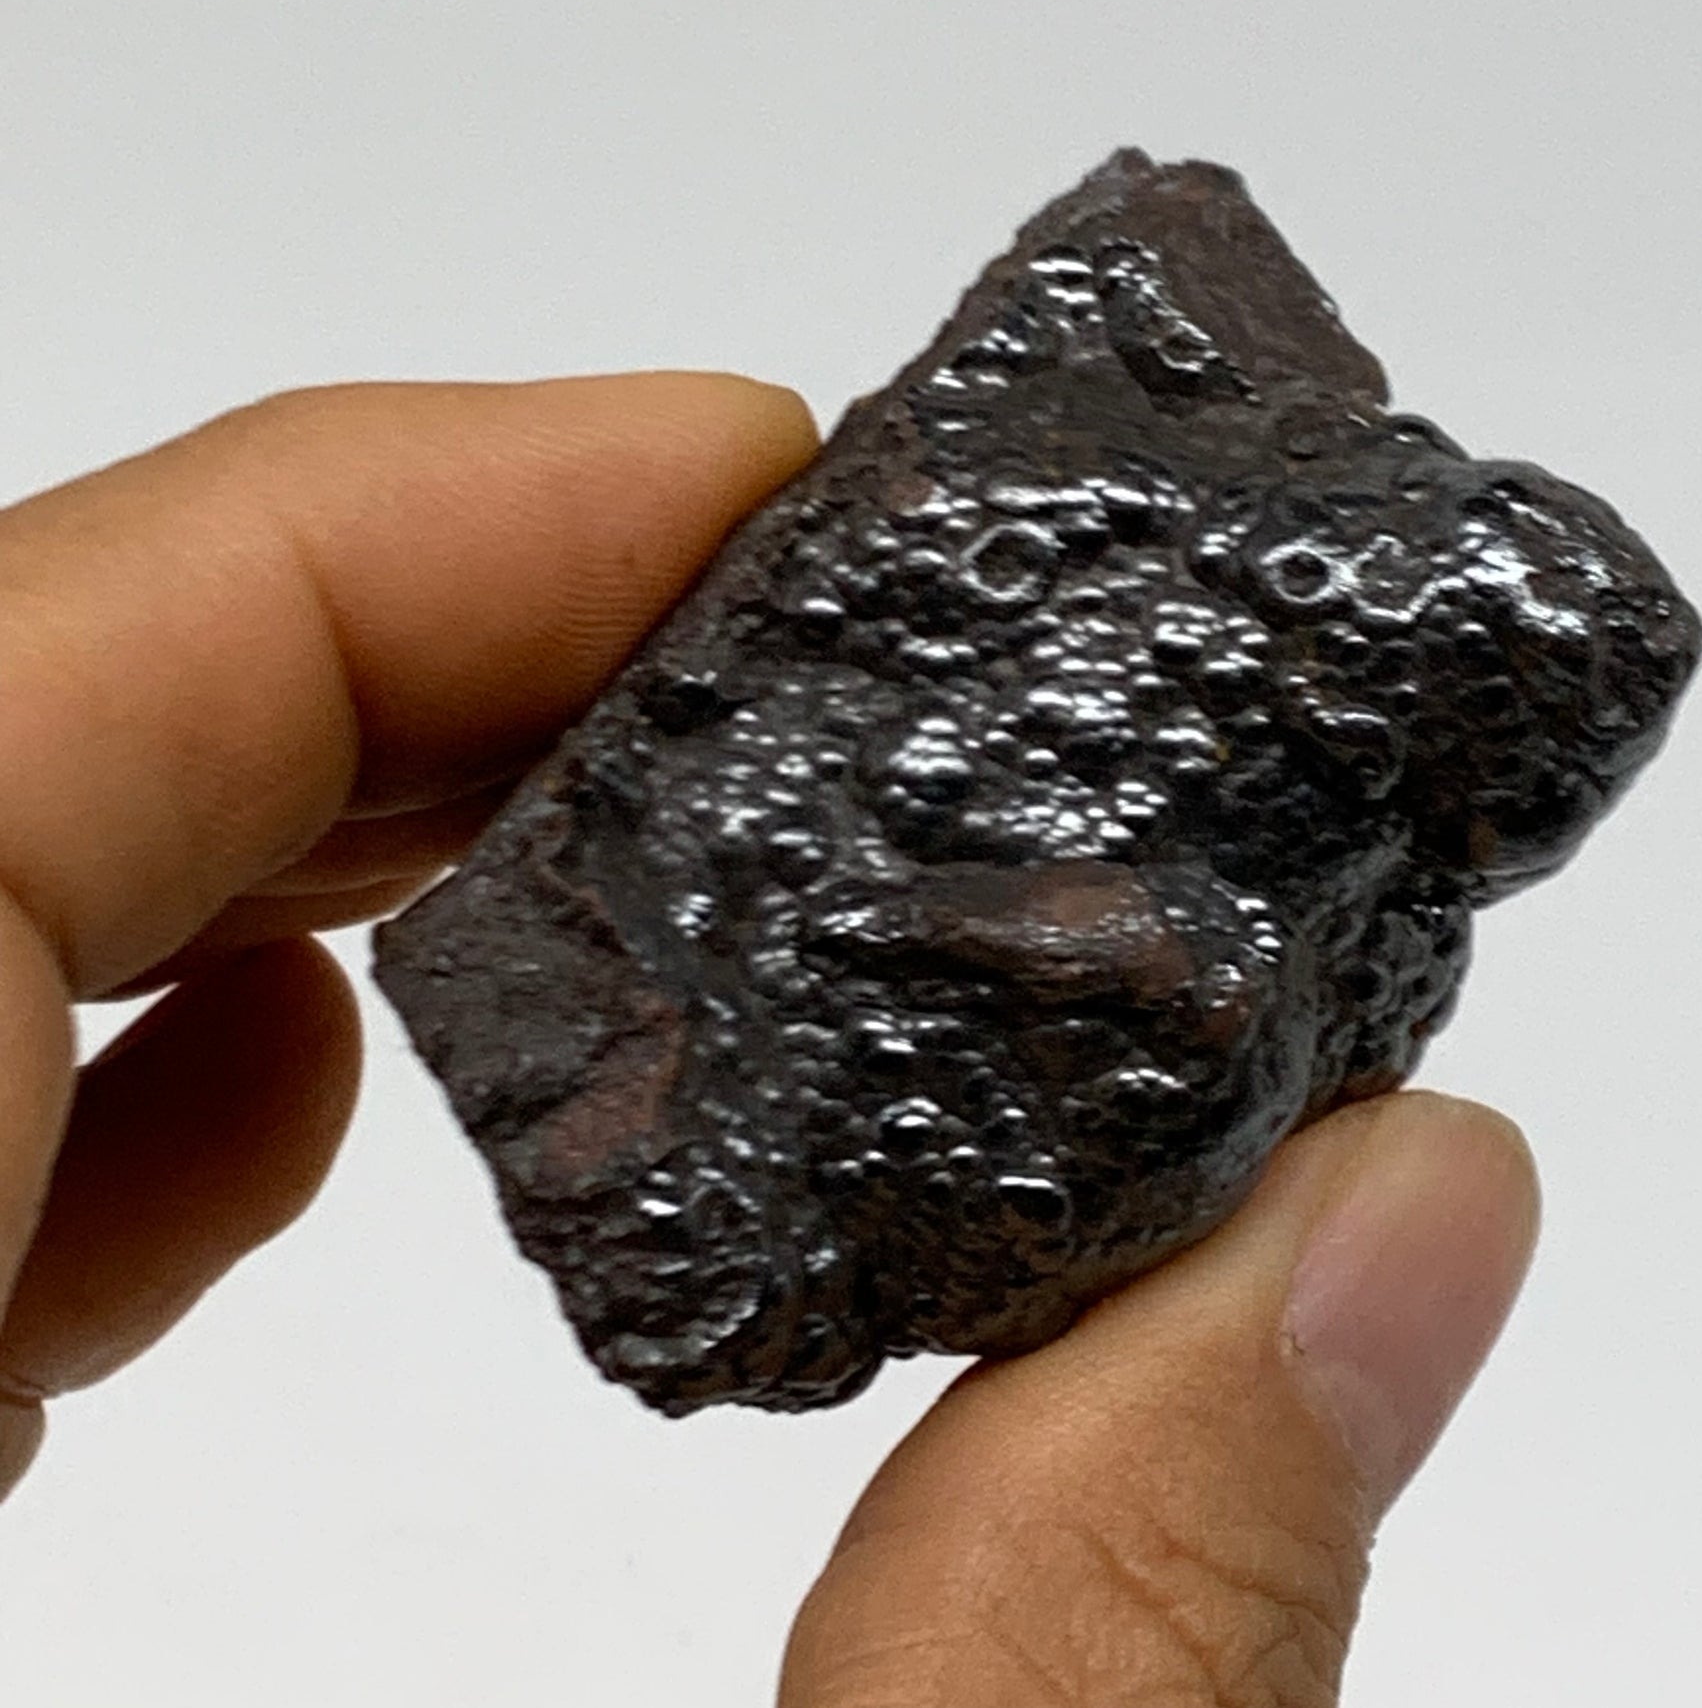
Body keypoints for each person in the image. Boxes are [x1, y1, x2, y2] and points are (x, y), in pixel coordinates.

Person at [0, 373, 1539, 1705]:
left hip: (870, 1132)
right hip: (792, 1084)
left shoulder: (1325, 869)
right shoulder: (1209, 683)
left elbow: (1150, 971)